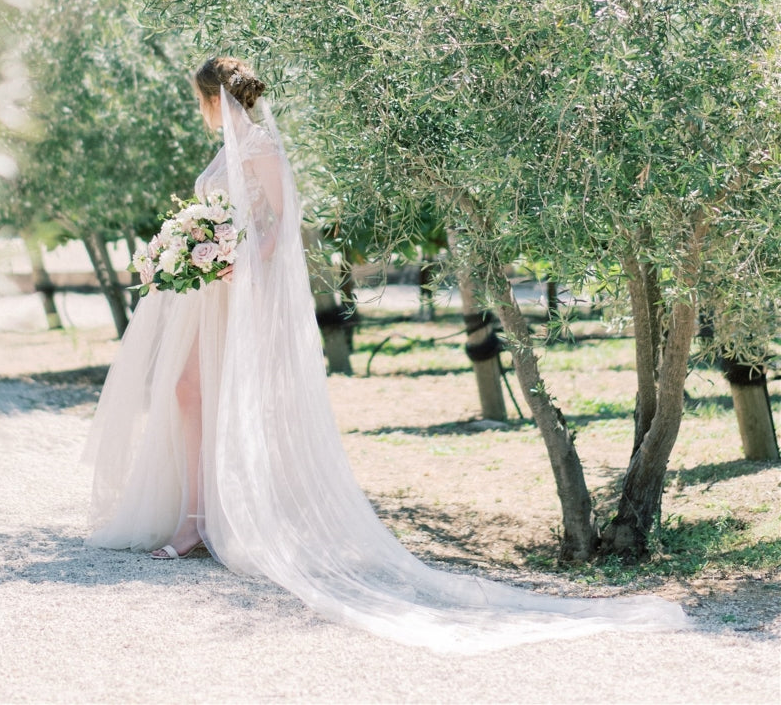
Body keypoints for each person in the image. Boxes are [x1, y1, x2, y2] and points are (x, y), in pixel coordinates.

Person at [83, 56, 688, 654]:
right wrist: (192, 246)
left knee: (212, 399)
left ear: (215, 97)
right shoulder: (227, 154)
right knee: (188, 392)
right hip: (212, 300)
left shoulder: (262, 149)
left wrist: (229, 256)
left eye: (201, 102)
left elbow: (278, 227)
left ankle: (209, 521)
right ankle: (197, 514)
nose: (201, 113)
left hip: (243, 299)